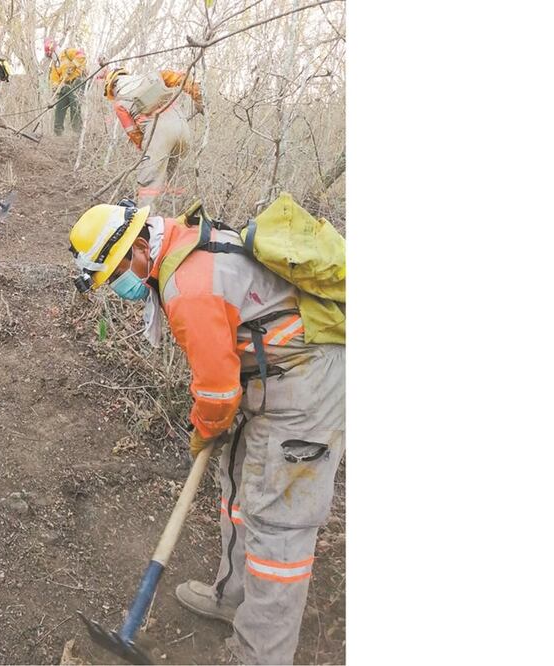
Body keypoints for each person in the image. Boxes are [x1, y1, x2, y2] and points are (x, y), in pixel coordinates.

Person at [67, 201, 345, 665]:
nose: (119, 287)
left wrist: (204, 428)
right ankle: (232, 596)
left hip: (307, 385)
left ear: (138, 245)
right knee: (236, 487)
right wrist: (215, 418)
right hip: (265, 377)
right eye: (109, 281)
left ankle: (259, 654)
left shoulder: (187, 285)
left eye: (117, 274)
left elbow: (216, 394)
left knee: (278, 527)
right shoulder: (177, 242)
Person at [103, 68, 204, 207]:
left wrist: (144, 148)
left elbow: (134, 133)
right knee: (175, 177)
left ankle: (145, 219)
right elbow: (182, 79)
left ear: (112, 86)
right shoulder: (153, 76)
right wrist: (198, 98)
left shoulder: (120, 103)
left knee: (150, 181)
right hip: (182, 127)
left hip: (158, 134)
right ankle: (174, 212)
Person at [45, 40, 88, 135]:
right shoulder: (55, 64)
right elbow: (54, 78)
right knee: (59, 107)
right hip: (65, 85)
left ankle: (78, 132)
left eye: (50, 54)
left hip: (77, 82)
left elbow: (82, 56)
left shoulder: (68, 52)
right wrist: (55, 88)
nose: (51, 57)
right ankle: (58, 133)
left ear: (54, 50)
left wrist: (73, 66)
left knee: (75, 105)